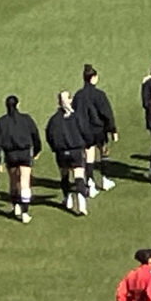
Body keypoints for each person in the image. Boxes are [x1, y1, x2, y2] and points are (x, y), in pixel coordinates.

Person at [0, 95, 42, 223]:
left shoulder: (1, 122)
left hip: (10, 155)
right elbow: (35, 135)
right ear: (18, 104)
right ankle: (25, 212)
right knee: (24, 181)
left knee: (14, 181)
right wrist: (37, 150)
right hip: (25, 153)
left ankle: (16, 207)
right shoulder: (26, 119)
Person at [73, 64, 119, 195]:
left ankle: (90, 183)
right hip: (99, 129)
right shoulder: (99, 95)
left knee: (88, 157)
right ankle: (105, 179)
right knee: (104, 152)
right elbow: (106, 113)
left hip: (84, 131)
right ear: (94, 78)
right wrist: (113, 129)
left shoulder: (78, 95)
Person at [45, 91, 90, 215]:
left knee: (64, 175)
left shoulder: (54, 120)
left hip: (61, 152)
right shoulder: (76, 117)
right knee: (79, 176)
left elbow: (49, 136)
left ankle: (67, 198)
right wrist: (87, 143)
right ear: (69, 100)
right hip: (76, 151)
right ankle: (82, 204)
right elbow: (85, 131)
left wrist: (55, 148)